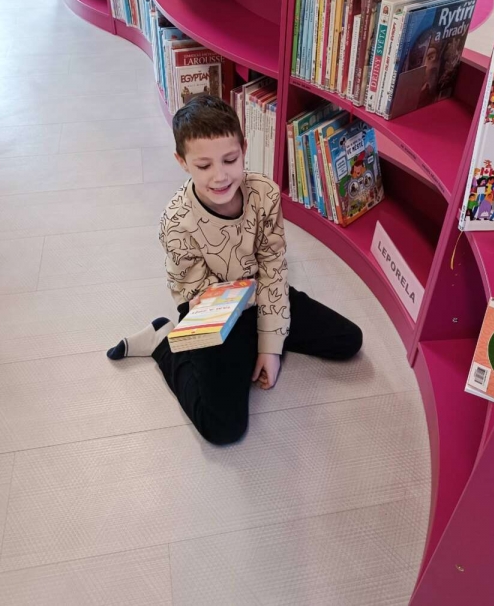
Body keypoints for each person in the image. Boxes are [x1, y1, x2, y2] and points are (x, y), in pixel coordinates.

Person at [107, 95, 363, 445]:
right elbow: (202, 298)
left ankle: (252, 345)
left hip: (259, 292)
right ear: (182, 162)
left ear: (244, 149)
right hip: (211, 310)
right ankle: (163, 343)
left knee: (348, 340)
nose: (220, 176)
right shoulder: (176, 222)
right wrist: (255, 336)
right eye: (203, 166)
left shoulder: (264, 194)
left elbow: (273, 268)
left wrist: (270, 346)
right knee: (223, 428)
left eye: (230, 160)